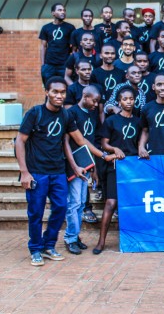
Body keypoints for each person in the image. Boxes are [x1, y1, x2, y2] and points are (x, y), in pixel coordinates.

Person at [15, 77, 114, 266]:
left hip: (58, 171)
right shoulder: (35, 113)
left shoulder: (66, 116)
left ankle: (49, 246)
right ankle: (36, 248)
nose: (59, 96)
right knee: (35, 212)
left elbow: (81, 140)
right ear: (47, 92)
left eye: (62, 92)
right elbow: (20, 141)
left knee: (60, 208)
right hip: (37, 171)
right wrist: (24, 171)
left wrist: (103, 155)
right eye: (55, 92)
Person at [94, 86, 139, 254]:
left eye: (131, 99)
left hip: (133, 168)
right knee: (111, 202)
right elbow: (103, 144)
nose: (128, 101)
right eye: (125, 99)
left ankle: (135, 239)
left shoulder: (138, 121)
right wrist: (114, 149)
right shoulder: (111, 121)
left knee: (134, 204)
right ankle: (101, 242)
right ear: (119, 101)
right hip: (116, 167)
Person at [63, 86, 102, 255]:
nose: (96, 104)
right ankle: (70, 237)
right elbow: (71, 142)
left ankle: (75, 235)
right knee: (74, 203)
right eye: (94, 100)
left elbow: (91, 140)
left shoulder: (91, 113)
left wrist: (93, 166)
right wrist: (73, 166)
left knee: (81, 203)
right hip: (74, 166)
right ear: (85, 96)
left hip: (86, 165)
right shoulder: (71, 113)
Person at [39, 3, 75, 84]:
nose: (63, 12)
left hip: (64, 65)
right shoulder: (46, 28)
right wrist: (43, 65)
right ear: (53, 13)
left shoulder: (70, 27)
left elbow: (74, 48)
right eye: (60, 10)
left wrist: (72, 64)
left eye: (64, 10)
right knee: (48, 88)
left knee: (65, 88)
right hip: (49, 65)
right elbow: (43, 46)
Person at [90, 44, 125, 120]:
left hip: (117, 111)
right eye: (107, 53)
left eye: (112, 53)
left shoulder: (121, 73)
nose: (110, 56)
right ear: (101, 55)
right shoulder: (95, 73)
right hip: (98, 111)